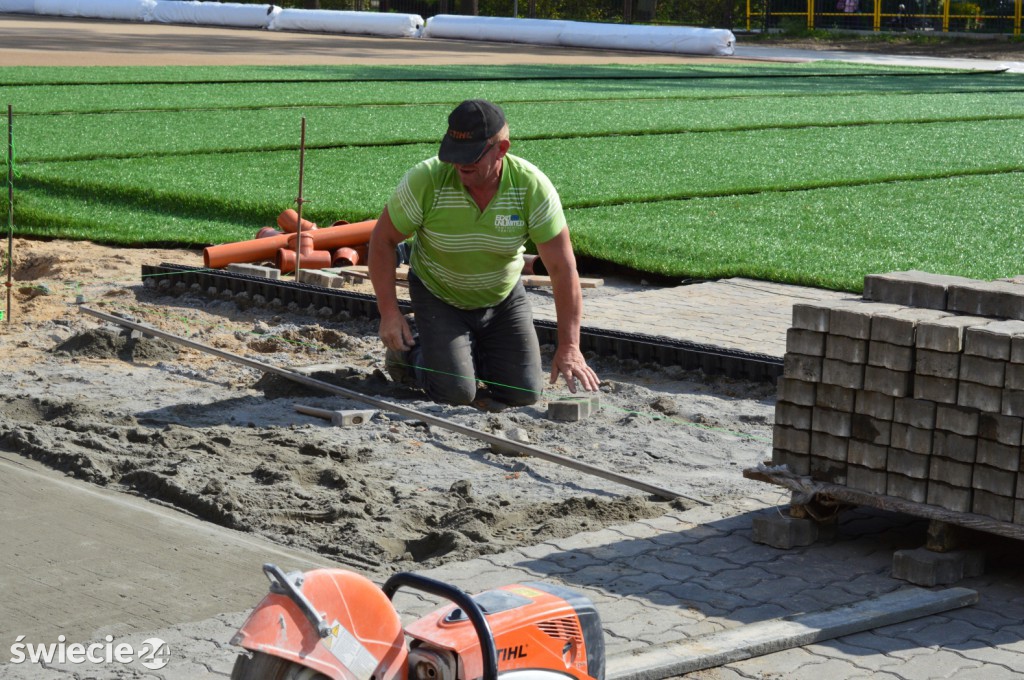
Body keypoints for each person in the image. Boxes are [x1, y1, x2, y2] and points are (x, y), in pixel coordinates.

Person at [368, 99, 599, 406]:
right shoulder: (426, 180)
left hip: (501, 298)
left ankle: (468, 355)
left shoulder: (531, 187)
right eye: (454, 154)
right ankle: (411, 356)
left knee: (525, 393)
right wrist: (389, 312)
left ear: (501, 149)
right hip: (439, 294)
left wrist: (569, 345)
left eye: (472, 156)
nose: (461, 164)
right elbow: (382, 240)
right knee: (455, 393)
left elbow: (562, 268)